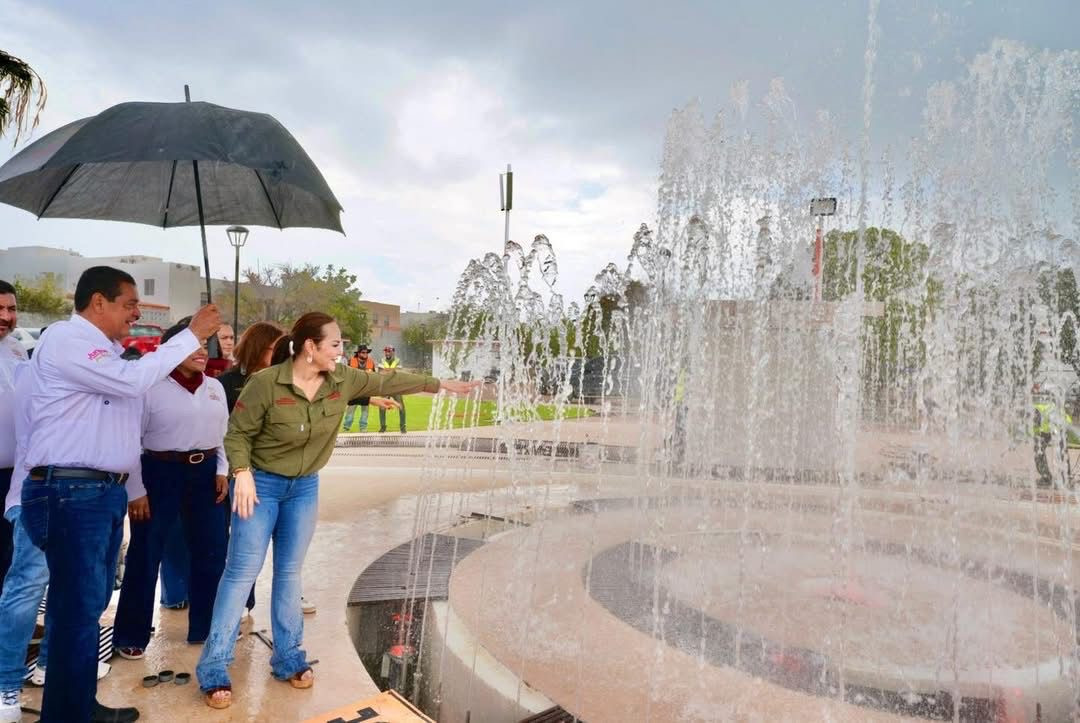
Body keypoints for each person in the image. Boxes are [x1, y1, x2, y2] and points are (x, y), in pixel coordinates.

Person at [196, 312, 478, 709]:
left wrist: (440, 385)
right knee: (241, 573)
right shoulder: (264, 384)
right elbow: (237, 434)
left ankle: (288, 658)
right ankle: (213, 668)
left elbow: (388, 380)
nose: (341, 351)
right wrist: (241, 472)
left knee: (290, 573)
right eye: (335, 344)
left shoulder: (343, 380)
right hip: (261, 486)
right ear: (310, 348)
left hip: (304, 487)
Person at [19, 266, 220, 723]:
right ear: (98, 303)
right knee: (75, 607)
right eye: (130, 303)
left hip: (98, 493)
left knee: (87, 605)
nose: (137, 312)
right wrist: (190, 335)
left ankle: (75, 706)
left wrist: (131, 487)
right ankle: (67, 716)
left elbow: (125, 426)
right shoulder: (68, 341)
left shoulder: (111, 356)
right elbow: (132, 383)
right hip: (71, 491)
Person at [112, 321, 230, 659]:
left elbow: (222, 435)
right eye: (193, 345)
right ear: (172, 350)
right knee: (146, 554)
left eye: (205, 345)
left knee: (211, 552)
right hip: (159, 473)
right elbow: (131, 442)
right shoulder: (149, 389)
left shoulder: (215, 388)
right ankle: (130, 635)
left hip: (206, 474)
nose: (201, 352)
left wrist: (221, 469)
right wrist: (135, 490)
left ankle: (204, 628)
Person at [0, 280, 26, 592]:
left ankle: (7, 623)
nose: (6, 316)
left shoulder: (18, 350)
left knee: (11, 553)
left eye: (11, 308)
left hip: (14, 476)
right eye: (0, 308)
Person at [343, 345, 375, 432]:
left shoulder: (371, 362)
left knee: (365, 411)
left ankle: (363, 429)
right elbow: (347, 376)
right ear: (358, 353)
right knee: (350, 411)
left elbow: (374, 377)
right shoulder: (351, 361)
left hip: (366, 390)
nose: (365, 354)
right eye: (363, 352)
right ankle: (346, 428)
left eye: (366, 352)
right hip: (354, 390)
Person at [378, 345, 407, 433]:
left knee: (401, 406)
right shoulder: (382, 360)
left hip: (396, 387)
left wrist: (387, 371)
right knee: (382, 406)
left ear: (393, 352)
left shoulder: (398, 361)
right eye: (386, 351)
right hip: (385, 387)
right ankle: (383, 427)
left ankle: (403, 427)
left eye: (389, 351)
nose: (387, 353)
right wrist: (392, 371)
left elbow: (400, 372)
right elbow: (380, 372)